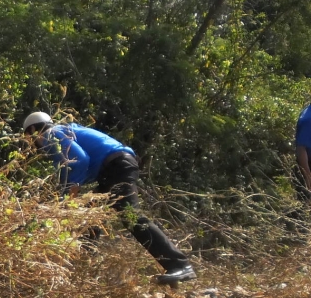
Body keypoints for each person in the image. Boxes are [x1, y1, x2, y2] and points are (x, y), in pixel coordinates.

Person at [22, 111, 196, 285]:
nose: (34, 145)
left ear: (32, 130)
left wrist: (69, 193)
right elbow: (72, 170)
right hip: (112, 169)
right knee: (91, 218)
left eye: (30, 139)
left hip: (116, 166)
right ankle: (80, 271)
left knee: (131, 216)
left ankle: (179, 265)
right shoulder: (65, 131)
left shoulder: (51, 134)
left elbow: (80, 161)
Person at [294, 104, 311, 196]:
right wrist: (308, 177)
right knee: (306, 205)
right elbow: (301, 148)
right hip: (308, 166)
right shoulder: (308, 119)